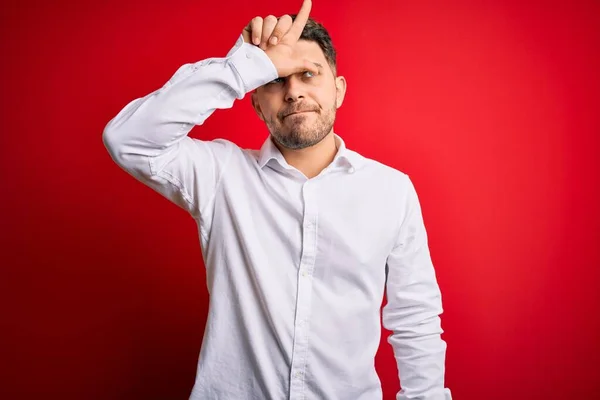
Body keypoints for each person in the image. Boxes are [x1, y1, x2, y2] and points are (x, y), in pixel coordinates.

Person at [103, 1, 451, 399]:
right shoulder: (221, 175)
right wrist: (242, 68)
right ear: (254, 101)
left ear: (338, 90)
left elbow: (415, 318)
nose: (293, 92)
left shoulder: (392, 191)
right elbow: (128, 140)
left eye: (307, 74)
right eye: (276, 80)